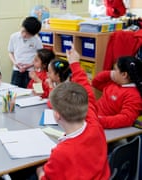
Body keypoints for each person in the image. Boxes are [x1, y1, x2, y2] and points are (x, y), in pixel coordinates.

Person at [36, 45, 110, 179]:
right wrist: (75, 63)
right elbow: (88, 91)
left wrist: (40, 172)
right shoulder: (95, 125)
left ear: (57, 115)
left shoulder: (61, 152)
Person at [92, 56, 142, 129]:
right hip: (92, 116)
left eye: (115, 69)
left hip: (101, 125)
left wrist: (99, 120)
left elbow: (126, 119)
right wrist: (109, 74)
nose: (112, 71)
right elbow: (96, 82)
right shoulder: (115, 83)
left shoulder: (133, 95)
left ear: (124, 74)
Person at [8, 16, 43, 88]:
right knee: (14, 90)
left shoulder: (37, 40)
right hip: (17, 70)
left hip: (31, 71)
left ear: (33, 34)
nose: (24, 35)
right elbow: (10, 52)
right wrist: (15, 63)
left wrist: (29, 65)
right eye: (23, 31)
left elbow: (40, 56)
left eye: (28, 34)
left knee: (30, 90)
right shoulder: (13, 37)